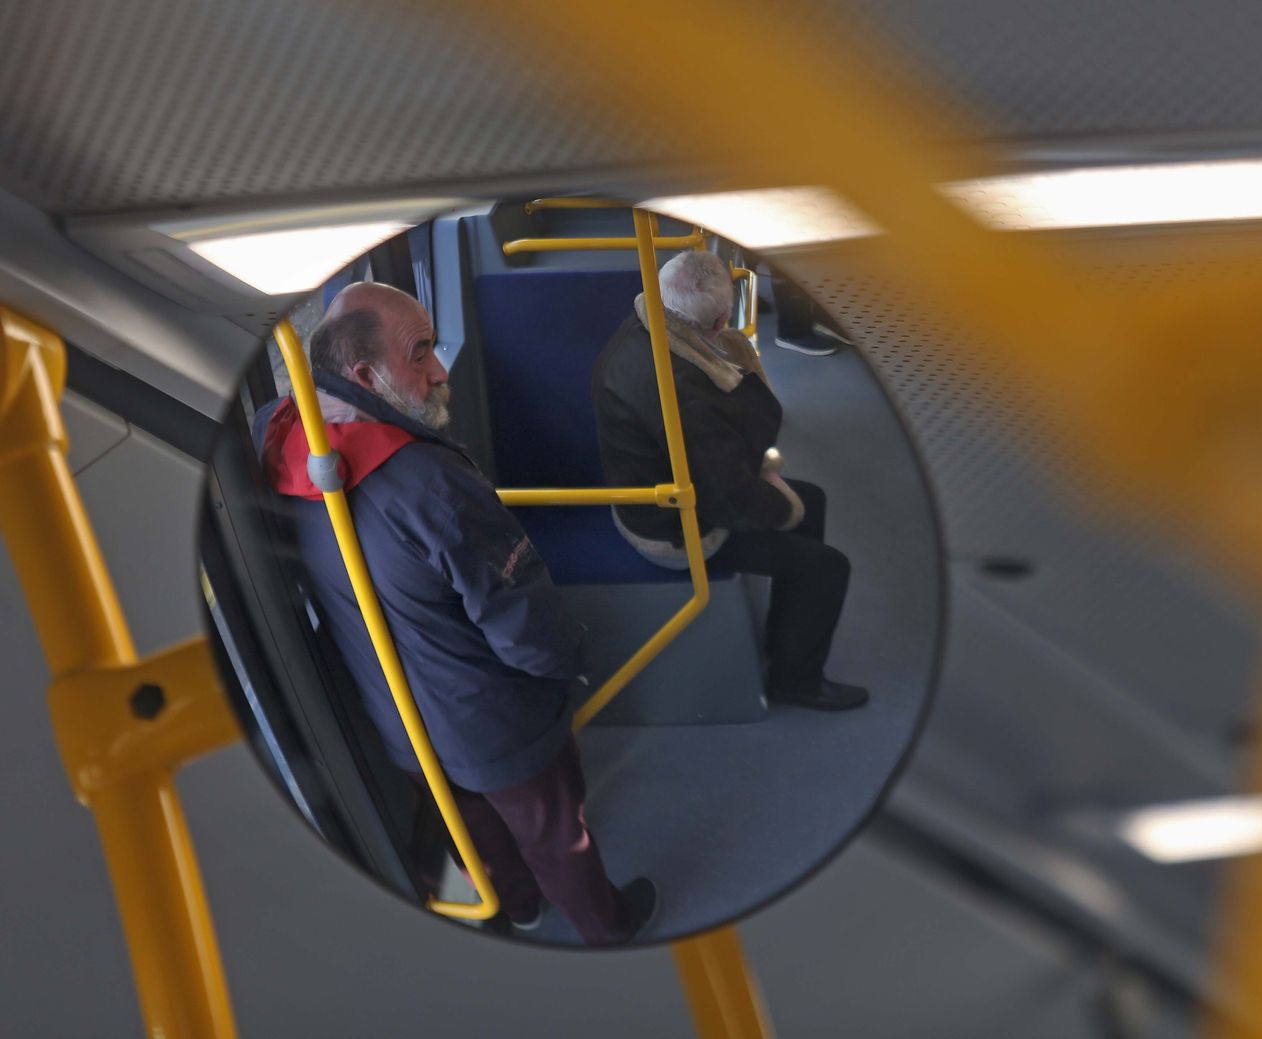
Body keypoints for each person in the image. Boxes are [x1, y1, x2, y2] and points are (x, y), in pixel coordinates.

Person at [256, 281, 656, 945]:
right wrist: (573, 658)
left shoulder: (279, 436)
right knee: (559, 833)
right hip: (493, 723)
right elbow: (525, 623)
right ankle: (608, 928)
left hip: (400, 719)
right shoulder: (429, 483)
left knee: (475, 831)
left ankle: (521, 905)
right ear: (363, 374)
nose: (440, 370)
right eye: (420, 354)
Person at [591, 251, 869, 711]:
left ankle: (788, 632)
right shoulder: (687, 391)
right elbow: (730, 501)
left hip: (656, 491)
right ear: (720, 322)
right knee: (827, 566)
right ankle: (795, 681)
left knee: (812, 501)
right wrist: (781, 503)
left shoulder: (640, 328)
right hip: (675, 531)